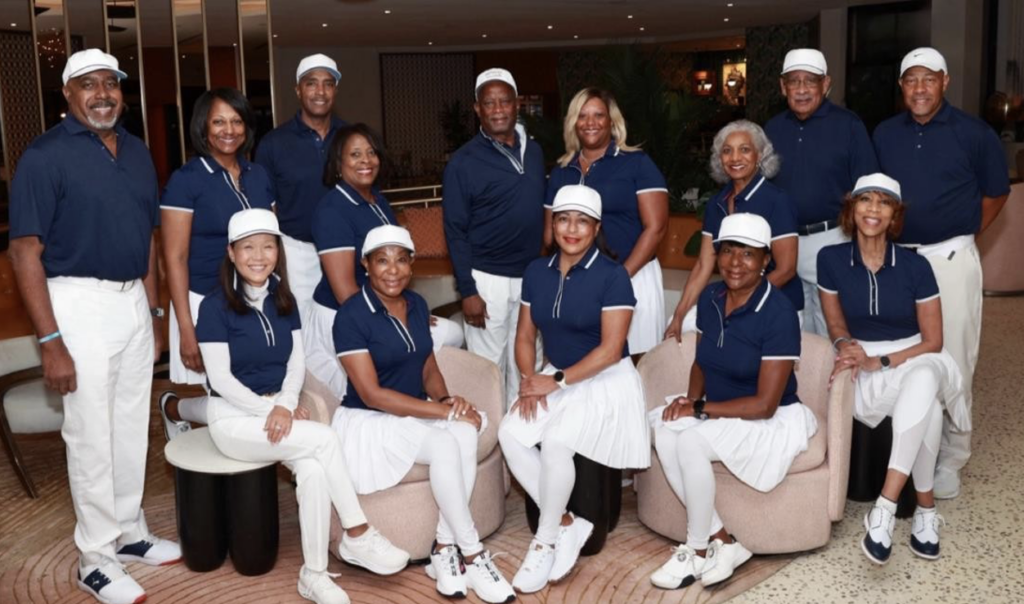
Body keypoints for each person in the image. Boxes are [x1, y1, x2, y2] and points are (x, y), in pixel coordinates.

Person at [8, 48, 181, 604]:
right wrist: (50, 341)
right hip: (76, 302)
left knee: (130, 425)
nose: (102, 93)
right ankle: (95, 558)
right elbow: (24, 251)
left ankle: (128, 532)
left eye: (111, 82)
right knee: (89, 435)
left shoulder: (136, 151)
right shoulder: (44, 157)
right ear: (68, 93)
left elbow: (148, 238)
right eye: (88, 83)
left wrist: (154, 313)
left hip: (132, 302)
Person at [196, 209, 409, 604]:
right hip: (232, 419)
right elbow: (221, 380)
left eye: (267, 247)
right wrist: (273, 410)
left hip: (276, 412)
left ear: (278, 251)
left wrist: (286, 402)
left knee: (312, 471)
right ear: (231, 253)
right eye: (248, 248)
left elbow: (296, 364)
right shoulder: (213, 307)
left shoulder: (284, 299)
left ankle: (313, 574)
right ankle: (358, 532)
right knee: (324, 440)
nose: (258, 256)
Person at [331, 225, 515, 603]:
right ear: (366, 264)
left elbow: (428, 365)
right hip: (370, 420)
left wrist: (447, 399)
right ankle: (473, 553)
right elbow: (372, 394)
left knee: (466, 430)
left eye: (401, 260)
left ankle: (443, 549)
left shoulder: (415, 304)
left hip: (413, 411)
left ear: (411, 264)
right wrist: (441, 412)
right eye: (382, 261)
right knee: (447, 443)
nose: (393, 270)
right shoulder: (350, 316)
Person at [649, 213, 816, 590]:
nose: (735, 263)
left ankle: (696, 550)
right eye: (727, 251)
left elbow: (765, 405)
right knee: (667, 429)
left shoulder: (778, 313)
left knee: (690, 441)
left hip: (768, 419)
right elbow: (701, 362)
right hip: (721, 409)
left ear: (766, 260)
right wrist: (689, 402)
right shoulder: (711, 297)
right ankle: (724, 541)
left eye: (748, 254)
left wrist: (699, 410)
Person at [873, 47, 1010, 499]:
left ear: (945, 82)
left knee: (954, 356)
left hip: (949, 258)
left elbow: (996, 193)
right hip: (897, 260)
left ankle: (952, 456)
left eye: (928, 79)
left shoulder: (975, 133)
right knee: (904, 352)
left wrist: (966, 231)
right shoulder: (885, 133)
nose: (919, 89)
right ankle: (909, 446)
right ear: (901, 85)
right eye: (911, 79)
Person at [498, 185, 650, 594]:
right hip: (555, 377)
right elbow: (524, 336)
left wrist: (555, 382)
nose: (571, 229)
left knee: (557, 441)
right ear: (552, 224)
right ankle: (568, 522)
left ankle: (544, 542)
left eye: (582, 222)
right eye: (563, 219)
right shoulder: (536, 272)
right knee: (509, 433)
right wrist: (530, 381)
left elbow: (611, 349)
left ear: (596, 228)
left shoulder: (613, 276)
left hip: (606, 379)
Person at [817, 174, 969, 565]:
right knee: (928, 404)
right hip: (864, 357)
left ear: (895, 215)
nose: (873, 209)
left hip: (913, 352)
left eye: (884, 202)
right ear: (852, 208)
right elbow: (835, 324)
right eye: (865, 200)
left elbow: (933, 340)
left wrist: (882, 361)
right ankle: (926, 509)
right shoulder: (830, 259)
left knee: (925, 374)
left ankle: (884, 506)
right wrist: (846, 345)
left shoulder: (916, 265)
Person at [304, 123, 463, 400]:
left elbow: (393, 263)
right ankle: (410, 398)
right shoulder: (332, 210)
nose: (366, 160)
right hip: (345, 315)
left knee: (452, 332)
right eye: (355, 154)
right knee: (371, 390)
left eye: (371, 152)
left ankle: (415, 390)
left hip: (382, 305)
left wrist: (409, 311)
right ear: (338, 163)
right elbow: (345, 292)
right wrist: (397, 318)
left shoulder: (377, 200)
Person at [159, 88, 276, 439]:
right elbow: (174, 258)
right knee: (227, 397)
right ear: (203, 128)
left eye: (237, 121)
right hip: (204, 300)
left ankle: (174, 408)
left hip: (254, 299)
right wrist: (186, 328)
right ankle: (174, 409)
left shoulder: (259, 175)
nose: (229, 130)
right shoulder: (186, 180)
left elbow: (273, 242)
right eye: (219, 122)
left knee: (252, 389)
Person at [443, 67, 546, 407]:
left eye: (505, 101)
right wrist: (468, 290)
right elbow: (455, 231)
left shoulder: (535, 151)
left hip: (531, 278)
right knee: (488, 371)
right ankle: (490, 436)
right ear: (478, 109)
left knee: (528, 365)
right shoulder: (462, 163)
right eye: (489, 103)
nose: (498, 109)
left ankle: (523, 432)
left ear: (517, 104)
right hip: (487, 280)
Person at [764, 48, 878, 336]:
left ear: (825, 84)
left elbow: (868, 189)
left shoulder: (849, 125)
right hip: (784, 243)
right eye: (794, 81)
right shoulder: (772, 129)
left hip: (833, 239)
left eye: (810, 81)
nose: (802, 89)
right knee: (793, 329)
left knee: (832, 330)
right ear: (783, 86)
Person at [546, 87, 669, 354]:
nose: (590, 122)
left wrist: (620, 277)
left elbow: (656, 228)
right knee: (584, 361)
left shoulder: (637, 163)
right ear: (573, 122)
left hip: (633, 276)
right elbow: (549, 235)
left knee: (635, 361)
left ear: (612, 121)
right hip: (578, 282)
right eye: (582, 115)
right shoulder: (561, 172)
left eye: (598, 115)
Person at [664, 120, 802, 339]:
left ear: (760, 155)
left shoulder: (777, 201)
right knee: (678, 325)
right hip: (733, 297)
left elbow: (786, 270)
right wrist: (679, 314)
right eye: (727, 151)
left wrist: (740, 302)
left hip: (775, 301)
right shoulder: (716, 203)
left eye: (744, 149)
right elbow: (703, 264)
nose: (735, 158)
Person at [255, 54, 347, 317]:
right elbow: (264, 208)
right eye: (311, 83)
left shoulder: (351, 137)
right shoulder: (273, 143)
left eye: (328, 84)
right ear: (298, 90)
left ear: (335, 90)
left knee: (346, 323)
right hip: (297, 254)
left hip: (345, 249)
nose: (320, 91)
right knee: (299, 325)